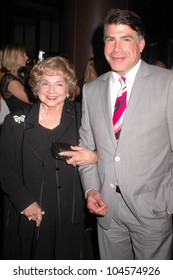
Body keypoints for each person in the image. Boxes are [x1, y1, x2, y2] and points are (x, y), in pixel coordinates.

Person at [77, 8, 173, 260]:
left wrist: (169, 205)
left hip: (153, 210)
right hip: (106, 209)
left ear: (141, 44)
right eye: (110, 39)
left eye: (125, 38)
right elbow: (85, 148)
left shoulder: (168, 83)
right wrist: (91, 191)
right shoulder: (91, 90)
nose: (116, 48)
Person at [0, 56, 97, 260]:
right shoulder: (15, 122)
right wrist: (24, 202)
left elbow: (108, 150)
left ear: (68, 88)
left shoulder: (83, 117)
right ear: (36, 87)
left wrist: (95, 156)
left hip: (69, 216)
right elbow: (5, 170)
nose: (51, 90)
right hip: (27, 215)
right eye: (45, 83)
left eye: (59, 83)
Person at [0, 43, 36, 113]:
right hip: (21, 121)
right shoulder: (9, 80)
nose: (27, 58)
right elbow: (31, 100)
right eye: (23, 55)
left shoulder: (18, 76)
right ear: (13, 57)